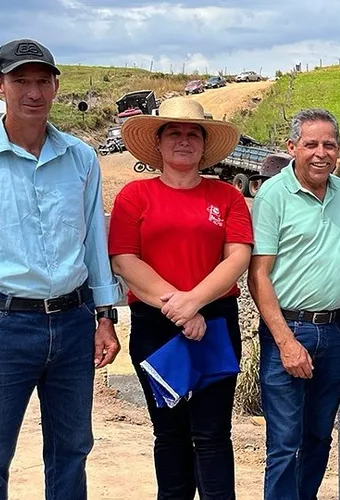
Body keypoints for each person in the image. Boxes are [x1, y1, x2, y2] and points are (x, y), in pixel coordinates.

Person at [0, 38, 121, 500]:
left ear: (55, 87)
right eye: (20, 81)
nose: (32, 92)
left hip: (72, 324)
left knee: (73, 450)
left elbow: (93, 240)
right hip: (1, 324)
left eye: (41, 81)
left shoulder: (80, 157)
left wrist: (105, 317)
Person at [108, 97, 253, 500]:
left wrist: (195, 302)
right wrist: (178, 306)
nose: (184, 140)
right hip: (156, 322)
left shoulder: (227, 197)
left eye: (193, 133)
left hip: (216, 319)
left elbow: (238, 254)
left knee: (212, 432)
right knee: (169, 431)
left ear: (205, 145)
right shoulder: (135, 196)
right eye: (174, 132)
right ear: (159, 143)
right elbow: (124, 258)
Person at [247, 108, 340, 500]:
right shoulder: (272, 196)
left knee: (319, 437)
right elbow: (258, 276)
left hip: (335, 333)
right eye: (311, 144)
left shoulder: (338, 192)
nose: (321, 153)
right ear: (292, 148)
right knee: (285, 444)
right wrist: (286, 342)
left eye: (329, 145)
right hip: (289, 331)